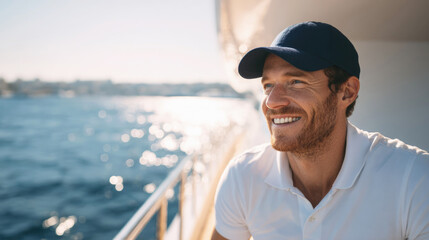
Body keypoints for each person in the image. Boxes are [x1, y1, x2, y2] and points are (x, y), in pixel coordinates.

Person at [211, 21, 429, 240]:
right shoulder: (243, 176)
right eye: (268, 86)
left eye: (295, 82)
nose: (272, 102)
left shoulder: (414, 178)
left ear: (347, 92)